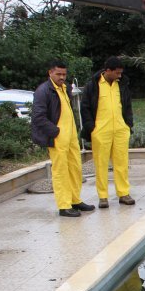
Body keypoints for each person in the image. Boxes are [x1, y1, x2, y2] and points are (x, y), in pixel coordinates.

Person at [30, 60, 94, 217]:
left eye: (64, 74)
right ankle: (64, 205)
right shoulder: (43, 91)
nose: (62, 77)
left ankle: (75, 200)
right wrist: (55, 132)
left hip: (71, 136)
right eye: (58, 74)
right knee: (61, 171)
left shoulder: (64, 88)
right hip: (58, 136)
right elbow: (38, 116)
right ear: (50, 73)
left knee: (75, 169)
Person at [80, 57, 135, 209]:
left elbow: (128, 105)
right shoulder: (93, 85)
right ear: (108, 71)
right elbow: (84, 107)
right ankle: (103, 196)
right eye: (117, 73)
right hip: (100, 130)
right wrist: (92, 128)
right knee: (101, 164)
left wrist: (128, 125)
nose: (119, 75)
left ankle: (124, 193)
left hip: (120, 129)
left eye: (121, 73)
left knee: (122, 163)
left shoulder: (122, 84)